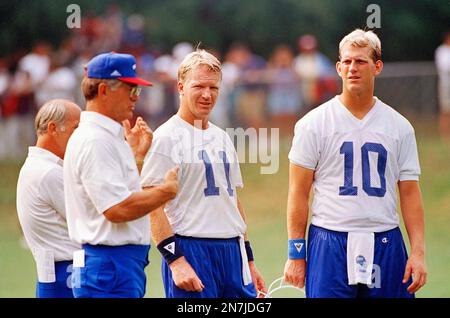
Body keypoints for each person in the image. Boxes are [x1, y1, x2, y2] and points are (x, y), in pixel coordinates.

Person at [283, 29, 427, 298]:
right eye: (347, 62)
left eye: (361, 61)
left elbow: (409, 192)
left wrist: (418, 252)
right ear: (338, 67)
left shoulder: (399, 127)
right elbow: (298, 193)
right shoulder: (313, 124)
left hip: (385, 238)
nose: (352, 68)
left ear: (377, 66)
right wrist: (296, 253)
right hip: (329, 239)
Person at [140, 49, 267, 298]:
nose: (207, 95)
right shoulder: (166, 137)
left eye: (214, 88)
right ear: (180, 87)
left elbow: (232, 201)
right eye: (198, 86)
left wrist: (248, 260)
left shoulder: (222, 137)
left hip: (232, 249)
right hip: (192, 248)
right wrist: (175, 261)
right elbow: (153, 204)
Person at [63, 52, 179, 298]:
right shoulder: (96, 140)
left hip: (113, 266)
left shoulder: (104, 136)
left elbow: (119, 194)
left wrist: (136, 157)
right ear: (104, 90)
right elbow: (117, 209)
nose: (136, 98)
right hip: (108, 267)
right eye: (131, 89)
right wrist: (165, 192)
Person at [16, 99, 81, 298]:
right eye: (75, 128)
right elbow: (92, 221)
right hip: (66, 275)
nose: (80, 136)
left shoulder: (38, 167)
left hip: (57, 273)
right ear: (53, 128)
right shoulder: (48, 173)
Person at [435, 31, 450, 139]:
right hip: (446, 84)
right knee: (445, 109)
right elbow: (444, 67)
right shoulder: (441, 51)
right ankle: (445, 133)